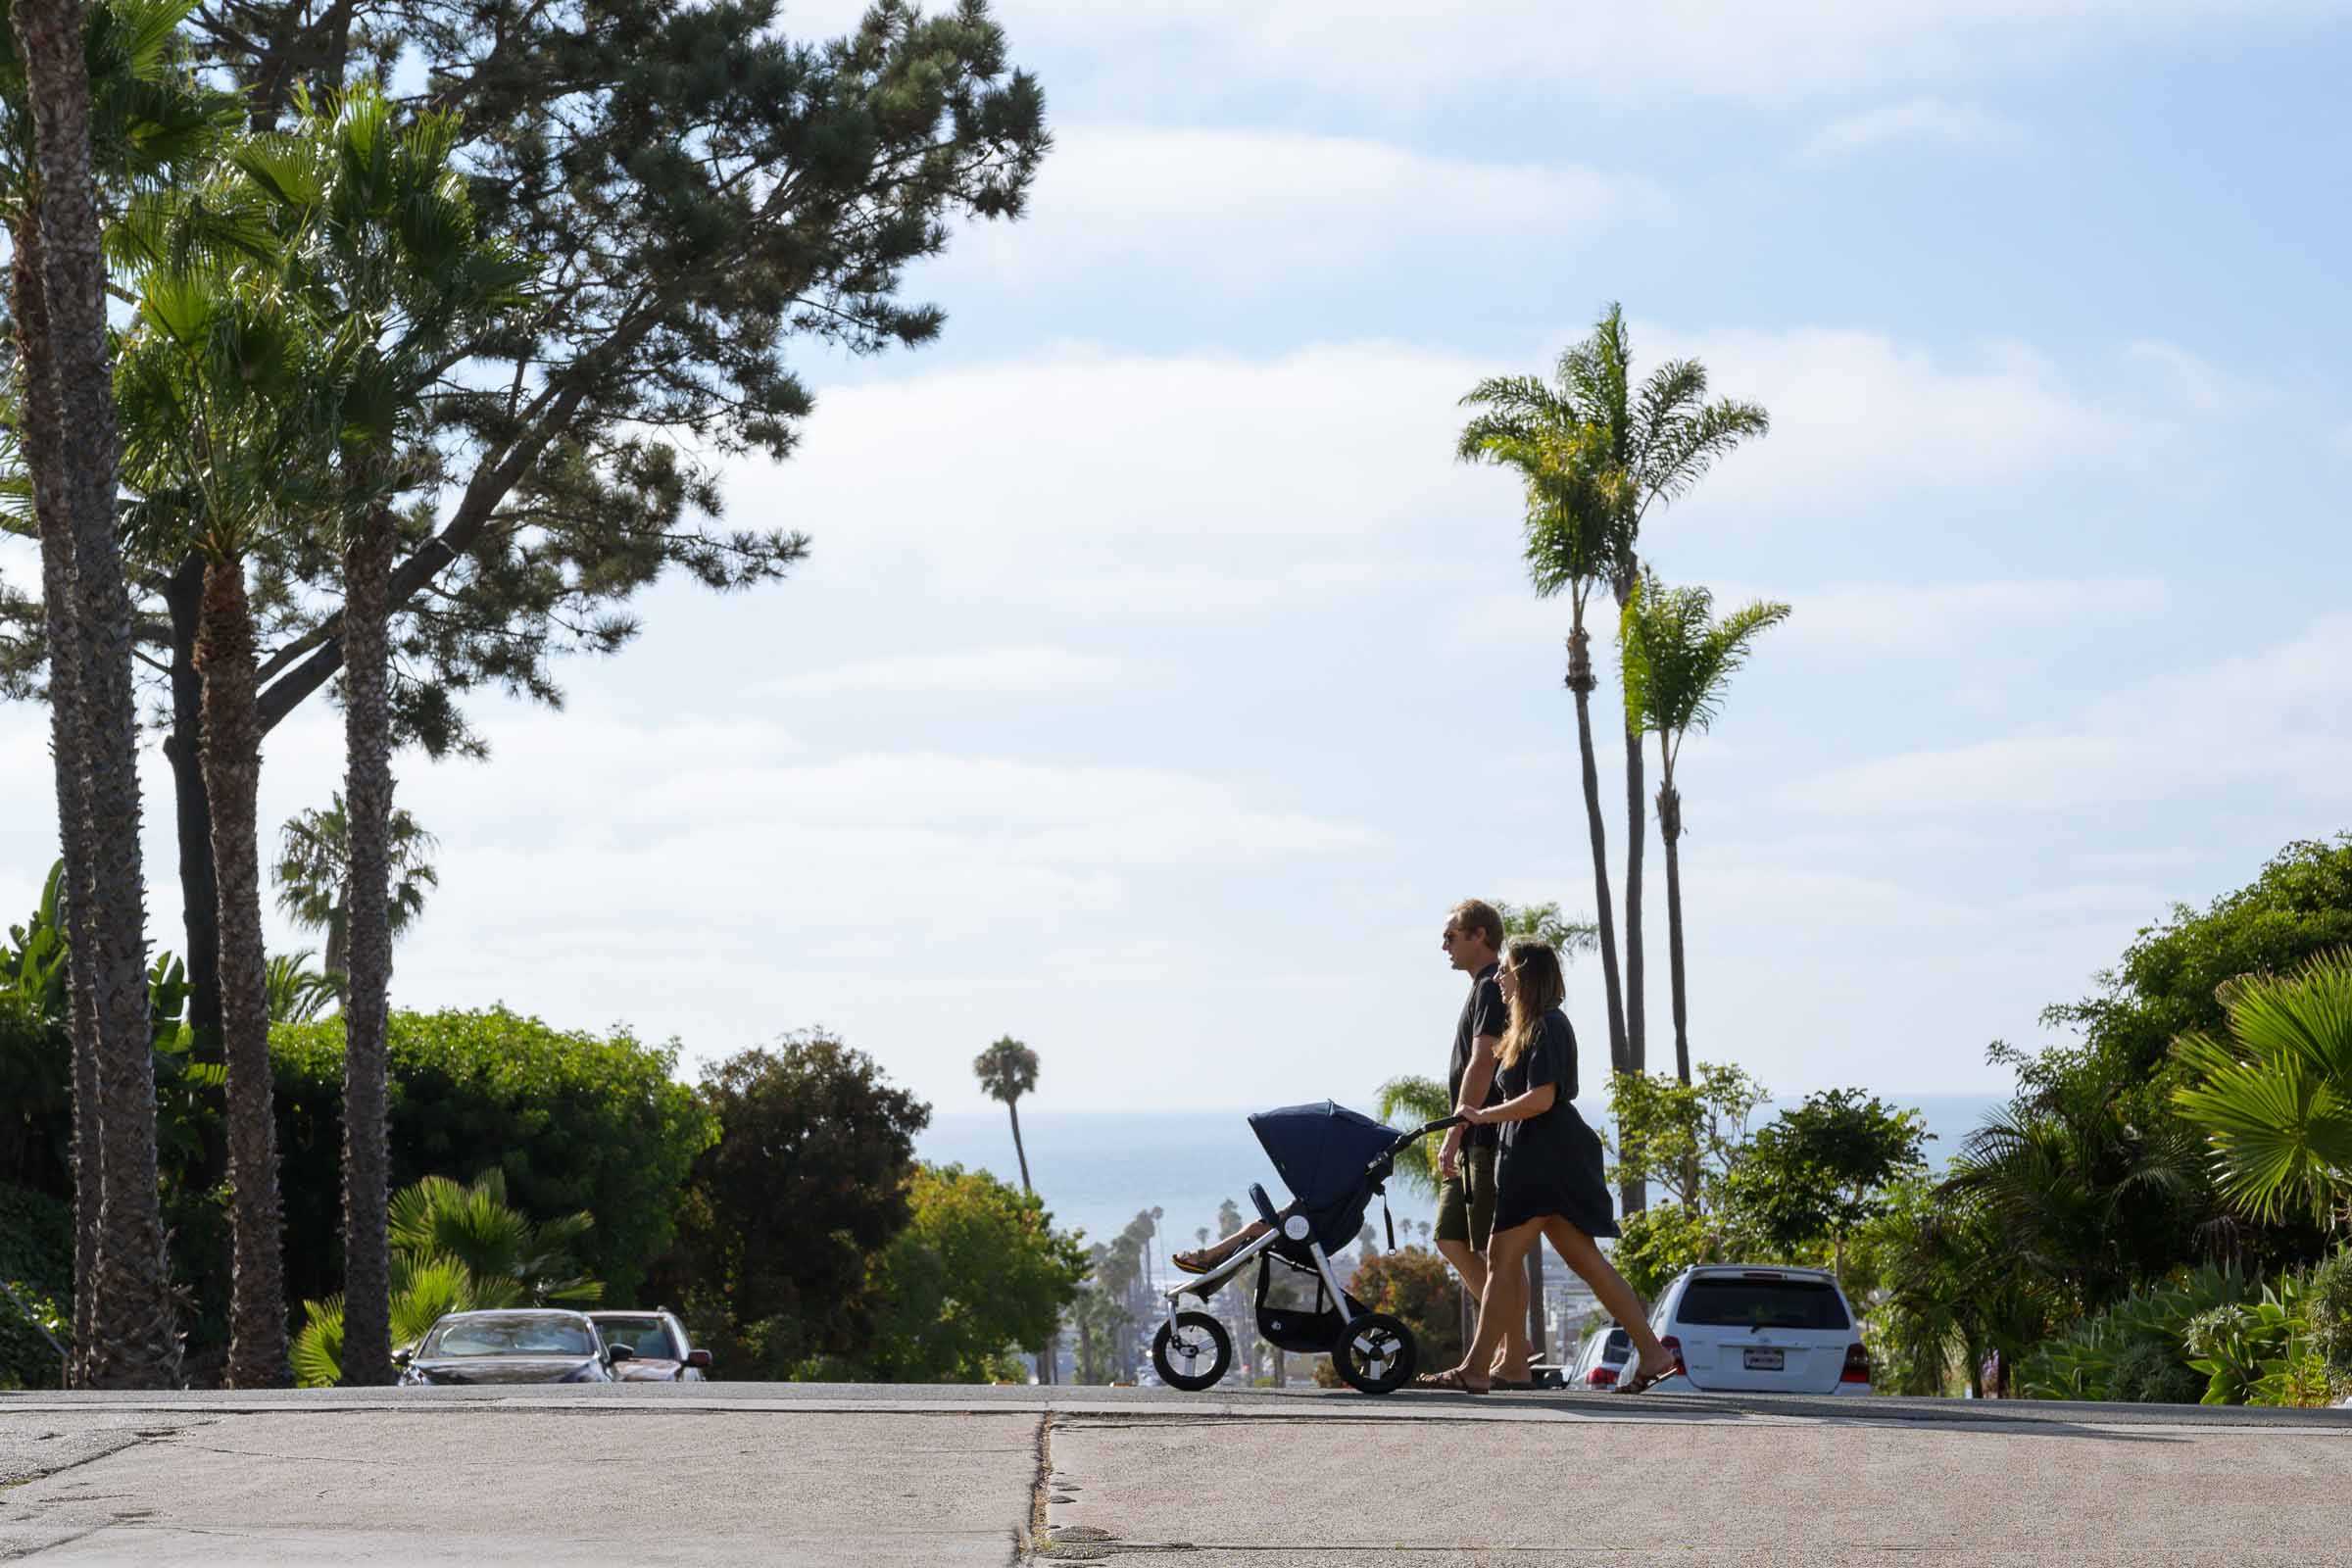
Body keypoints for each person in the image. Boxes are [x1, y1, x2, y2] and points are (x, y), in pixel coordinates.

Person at [1413, 936, 1678, 1395]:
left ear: (1526, 975)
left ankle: (1476, 1369)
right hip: (1539, 1156)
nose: (1499, 977)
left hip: (1543, 1159)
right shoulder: (1529, 1027)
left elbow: (1541, 1099)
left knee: (1500, 1259)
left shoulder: (1549, 1027)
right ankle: (1653, 1353)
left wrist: (1480, 1115)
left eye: (1506, 970)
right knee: (1586, 1261)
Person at [1431, 898, 1530, 1387]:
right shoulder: (1479, 989)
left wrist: (1457, 1129)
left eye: (1451, 935)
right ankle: (1516, 1342)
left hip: (1484, 1136)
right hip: (1473, 1139)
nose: (1444, 945)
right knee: (1451, 1238)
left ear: (1479, 936)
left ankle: (1511, 1352)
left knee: (1498, 1252)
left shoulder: (1491, 988)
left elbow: (1483, 1062)